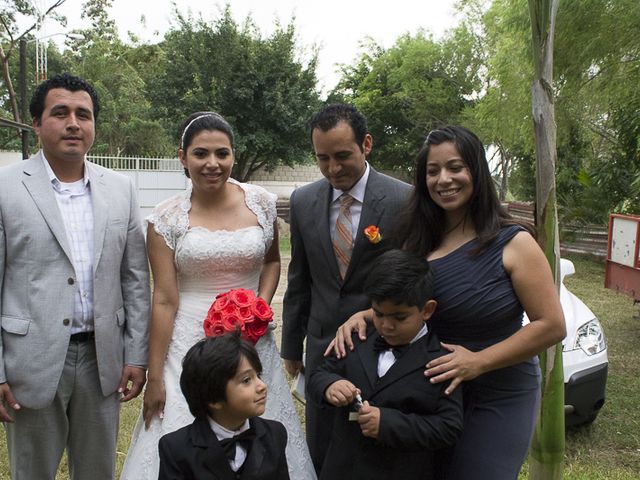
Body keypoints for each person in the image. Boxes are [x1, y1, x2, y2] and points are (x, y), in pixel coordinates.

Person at [330, 125, 566, 479]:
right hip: (426, 396)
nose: (444, 179)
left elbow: (552, 325)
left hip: (497, 394)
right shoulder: (417, 241)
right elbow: (409, 303)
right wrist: (363, 316)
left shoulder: (513, 243)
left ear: (477, 171)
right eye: (433, 171)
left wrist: (478, 362)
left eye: (455, 167)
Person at [121, 112, 315, 480]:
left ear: (233, 155)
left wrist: (259, 302)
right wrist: (156, 376)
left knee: (263, 429)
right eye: (201, 154)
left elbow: (272, 261)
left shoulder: (260, 202)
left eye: (222, 154)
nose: (212, 164)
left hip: (252, 339)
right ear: (183, 157)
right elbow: (163, 298)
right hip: (188, 341)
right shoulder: (165, 219)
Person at [0, 73, 151, 479]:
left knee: (98, 471)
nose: (73, 123)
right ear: (36, 123)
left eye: (83, 114)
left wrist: (136, 354)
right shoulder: (6, 187)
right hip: (30, 359)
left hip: (102, 359)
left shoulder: (121, 189)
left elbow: (135, 278)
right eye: (60, 112)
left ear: (93, 125)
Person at [280, 103, 412, 472]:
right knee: (322, 449)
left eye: (342, 156)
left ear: (366, 144)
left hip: (381, 343)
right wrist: (292, 346)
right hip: (323, 348)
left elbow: (413, 276)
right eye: (322, 158)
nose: (333, 168)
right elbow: (300, 278)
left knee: (374, 451)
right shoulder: (303, 201)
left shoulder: (404, 200)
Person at [307, 249, 463, 480]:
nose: (386, 326)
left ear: (427, 310)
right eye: (378, 315)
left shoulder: (442, 361)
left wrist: (388, 423)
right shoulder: (356, 338)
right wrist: (330, 385)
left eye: (399, 318)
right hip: (343, 469)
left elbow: (449, 427)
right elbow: (319, 374)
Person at [159, 333, 290, 480]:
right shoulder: (176, 448)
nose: (262, 386)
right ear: (213, 399)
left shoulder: (274, 434)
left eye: (258, 375)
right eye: (247, 380)